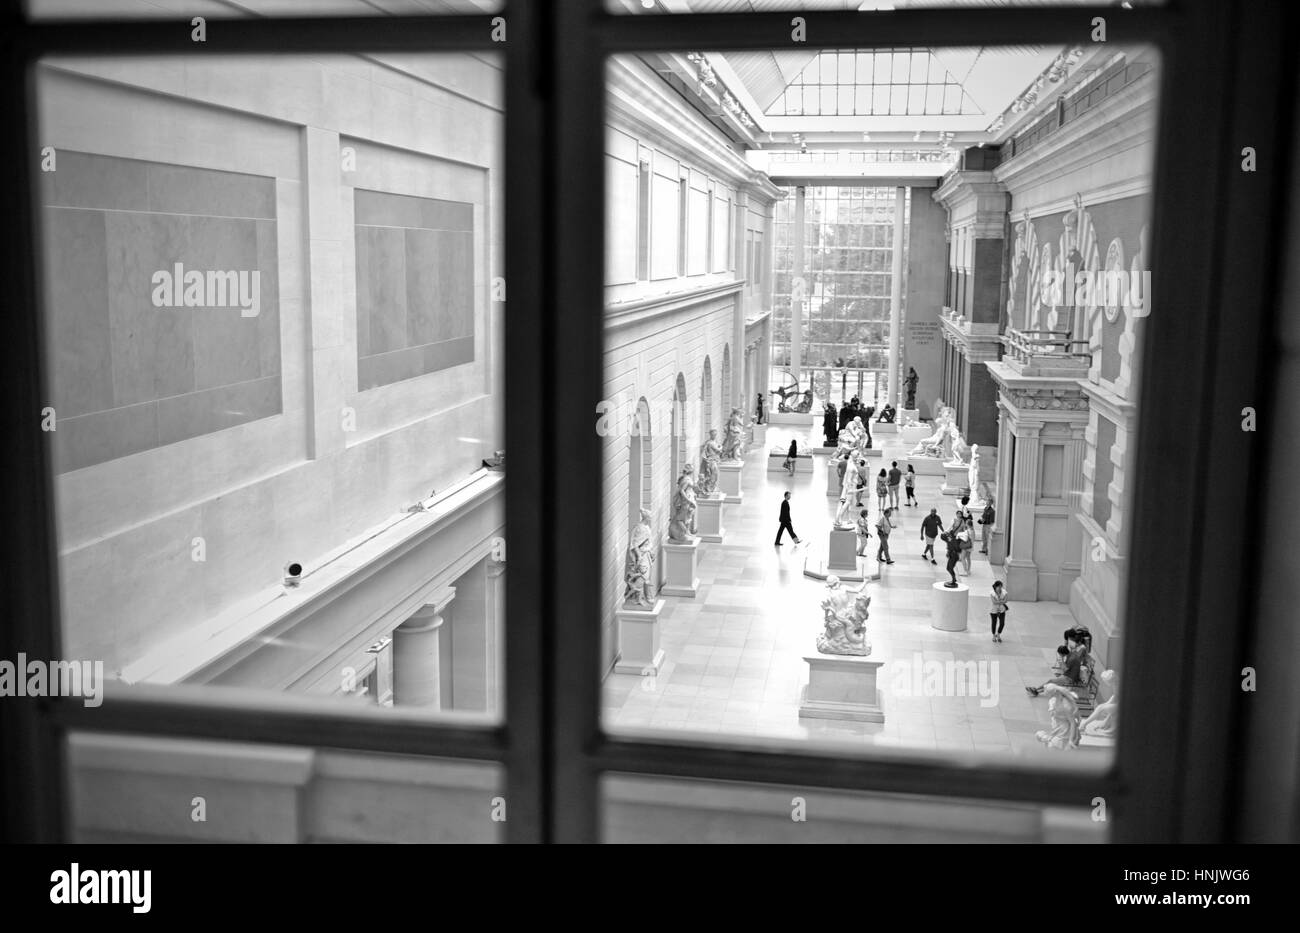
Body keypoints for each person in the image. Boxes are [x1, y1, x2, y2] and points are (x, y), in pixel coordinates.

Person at [1026, 631, 1087, 696]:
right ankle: (1036, 690)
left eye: (1060, 654)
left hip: (1069, 678)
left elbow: (1065, 669)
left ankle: (1036, 690)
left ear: (1063, 654)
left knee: (1051, 682)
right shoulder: (1071, 655)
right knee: (1051, 681)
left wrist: (1061, 660)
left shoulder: (1072, 658)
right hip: (1068, 675)